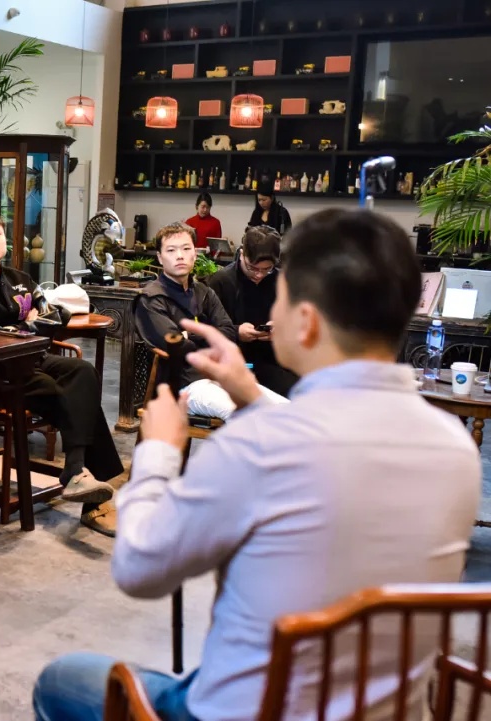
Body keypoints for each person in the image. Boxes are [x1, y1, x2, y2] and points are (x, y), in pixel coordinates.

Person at [33, 208, 481, 721]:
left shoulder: (261, 446)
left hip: (252, 710)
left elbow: (139, 568)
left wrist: (157, 452)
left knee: (63, 679)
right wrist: (249, 395)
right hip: (388, 710)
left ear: (307, 321)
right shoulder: (454, 447)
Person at [0, 213, 124, 534]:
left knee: (82, 372)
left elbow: (59, 314)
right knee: (66, 395)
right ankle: (86, 488)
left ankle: (76, 470)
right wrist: (29, 323)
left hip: (32, 358)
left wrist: (29, 324)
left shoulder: (19, 277)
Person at [135, 222, 285, 420]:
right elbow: (177, 346)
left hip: (220, 377)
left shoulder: (204, 293)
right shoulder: (151, 299)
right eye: (171, 250)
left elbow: (229, 333)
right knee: (250, 416)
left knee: (288, 410)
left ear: (195, 254)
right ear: (160, 257)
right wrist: (208, 334)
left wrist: (190, 335)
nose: (180, 255)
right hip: (185, 384)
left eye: (186, 249)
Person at [207, 225, 298, 397]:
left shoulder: (282, 280)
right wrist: (236, 332)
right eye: (252, 268)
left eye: (266, 269)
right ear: (242, 254)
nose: (259, 275)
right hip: (235, 360)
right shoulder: (221, 281)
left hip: (273, 359)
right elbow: (208, 329)